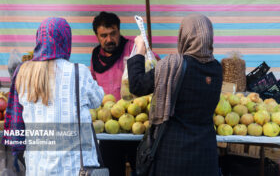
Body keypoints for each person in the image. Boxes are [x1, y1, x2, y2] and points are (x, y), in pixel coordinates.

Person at [3, 17, 104, 175]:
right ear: (66, 39)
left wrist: (17, 150)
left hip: (38, 167)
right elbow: (97, 100)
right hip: (75, 167)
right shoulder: (79, 72)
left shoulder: (22, 73)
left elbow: (16, 122)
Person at [127, 14, 223, 176]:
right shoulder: (217, 69)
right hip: (205, 156)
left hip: (172, 154)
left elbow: (137, 86)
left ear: (184, 36)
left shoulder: (172, 65)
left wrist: (140, 51)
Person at [91, 11, 159, 176]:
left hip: (137, 123)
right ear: (97, 36)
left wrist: (143, 52)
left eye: (113, 33)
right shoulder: (95, 57)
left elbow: (156, 67)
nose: (109, 39)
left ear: (119, 31)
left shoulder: (133, 48)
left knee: (141, 170)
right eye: (103, 35)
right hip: (110, 127)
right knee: (112, 170)